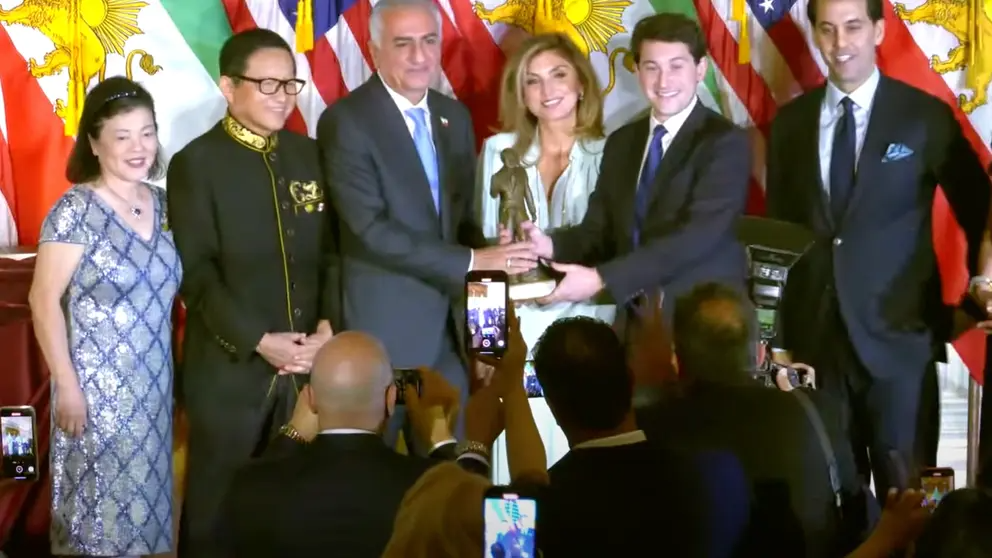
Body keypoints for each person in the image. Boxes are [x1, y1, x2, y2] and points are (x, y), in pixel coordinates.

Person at [765, 0, 992, 499]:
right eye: (827, 30)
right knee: (828, 506)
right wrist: (776, 340)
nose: (840, 44)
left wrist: (977, 299)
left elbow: (983, 212)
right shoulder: (790, 126)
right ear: (815, 34)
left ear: (879, 30)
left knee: (912, 503)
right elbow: (777, 239)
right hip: (816, 354)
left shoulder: (924, 116)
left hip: (902, 349)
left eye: (852, 27)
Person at [316, 0, 535, 439]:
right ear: (375, 51)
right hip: (386, 336)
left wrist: (486, 335)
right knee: (380, 485)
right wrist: (474, 259)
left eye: (429, 41)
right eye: (404, 43)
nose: (419, 56)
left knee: (450, 476)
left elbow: (471, 231)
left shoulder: (453, 116)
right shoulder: (346, 122)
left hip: (452, 337)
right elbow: (371, 231)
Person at [166, 29, 339, 558]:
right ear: (227, 85)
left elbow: (335, 254)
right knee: (218, 518)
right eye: (267, 83)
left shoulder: (311, 155)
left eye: (290, 83)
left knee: (302, 514)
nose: (282, 95)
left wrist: (328, 329)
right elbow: (197, 274)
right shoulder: (196, 163)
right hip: (229, 371)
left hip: (310, 367)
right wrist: (260, 340)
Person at [517, 14, 751, 338]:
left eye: (676, 66)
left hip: (705, 327)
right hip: (635, 326)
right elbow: (598, 231)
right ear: (637, 71)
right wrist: (548, 245)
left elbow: (696, 237)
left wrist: (602, 279)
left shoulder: (725, 142)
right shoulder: (623, 142)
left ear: (700, 69)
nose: (663, 81)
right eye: (652, 67)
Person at [28, 77, 180, 557]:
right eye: (122, 135)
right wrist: (66, 385)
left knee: (148, 519)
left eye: (148, 132)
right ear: (94, 143)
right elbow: (42, 300)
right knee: (96, 529)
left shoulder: (167, 205)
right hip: (93, 395)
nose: (139, 148)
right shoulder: (73, 211)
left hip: (154, 390)